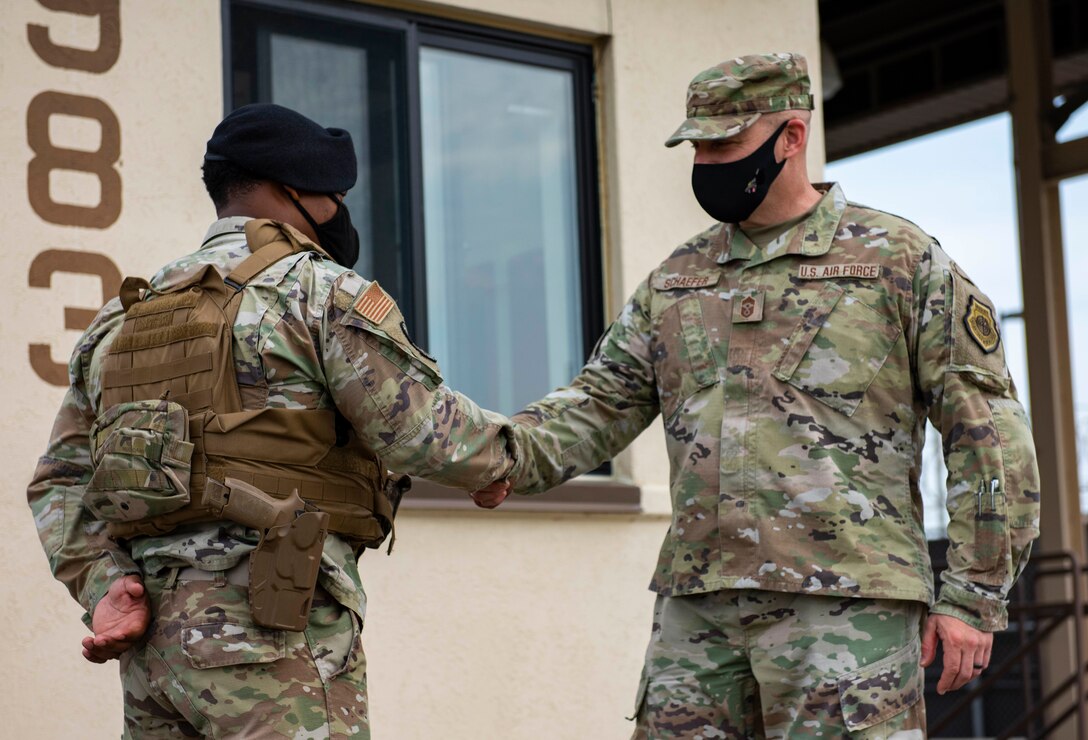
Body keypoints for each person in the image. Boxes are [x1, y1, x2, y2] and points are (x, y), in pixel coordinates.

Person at [475, 52, 1041, 738]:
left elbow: (988, 435)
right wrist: (503, 454)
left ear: (791, 137)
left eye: (725, 145)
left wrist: (974, 593)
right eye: (697, 147)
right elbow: (600, 402)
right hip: (698, 611)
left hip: (846, 609)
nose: (706, 163)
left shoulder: (898, 261)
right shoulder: (677, 280)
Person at [27, 103, 516, 739]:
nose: (339, 211)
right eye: (335, 196)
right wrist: (505, 457)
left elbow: (61, 482)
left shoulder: (122, 318)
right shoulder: (318, 291)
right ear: (295, 191)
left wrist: (105, 585)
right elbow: (426, 434)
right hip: (272, 629)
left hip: (153, 651)